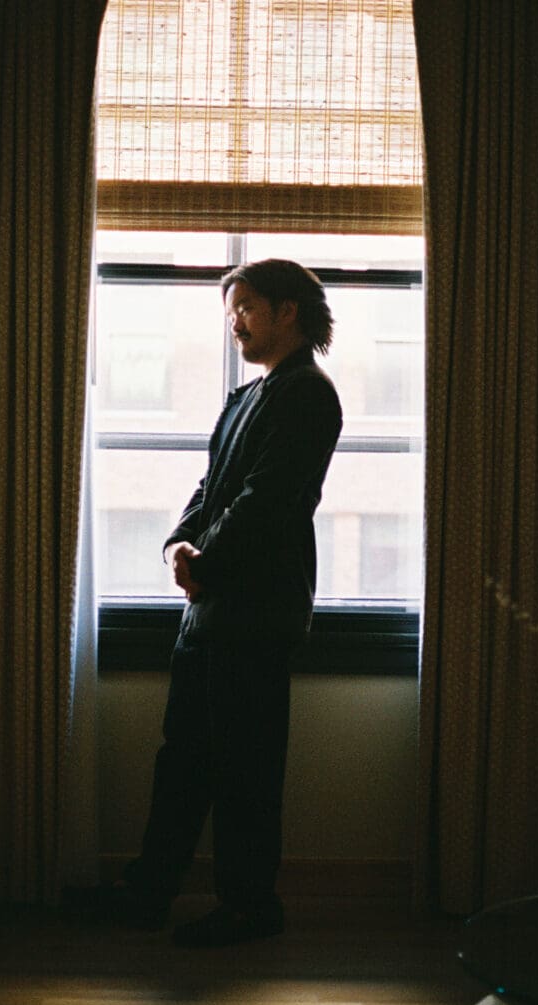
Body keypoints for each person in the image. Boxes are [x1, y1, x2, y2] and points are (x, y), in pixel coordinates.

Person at [113, 258, 342, 947]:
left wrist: (205, 563)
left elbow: (268, 499)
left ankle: (249, 908)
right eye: (230, 311)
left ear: (287, 312)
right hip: (209, 610)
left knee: (246, 768)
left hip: (257, 613)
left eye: (245, 308)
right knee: (181, 757)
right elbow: (210, 489)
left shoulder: (308, 394)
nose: (235, 322)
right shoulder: (245, 397)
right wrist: (177, 547)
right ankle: (150, 892)